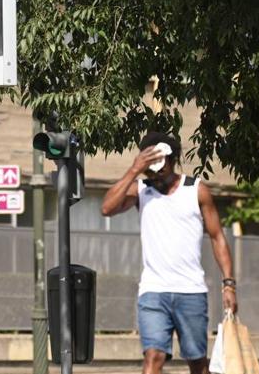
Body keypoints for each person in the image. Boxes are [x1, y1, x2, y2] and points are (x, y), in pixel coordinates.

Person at [101, 131, 237, 374]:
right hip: (153, 291)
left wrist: (229, 284)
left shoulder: (196, 190)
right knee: (154, 357)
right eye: (149, 169)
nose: (155, 174)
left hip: (191, 291)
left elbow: (217, 237)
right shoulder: (141, 189)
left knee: (197, 362)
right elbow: (106, 208)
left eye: (159, 167)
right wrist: (133, 170)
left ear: (173, 160)